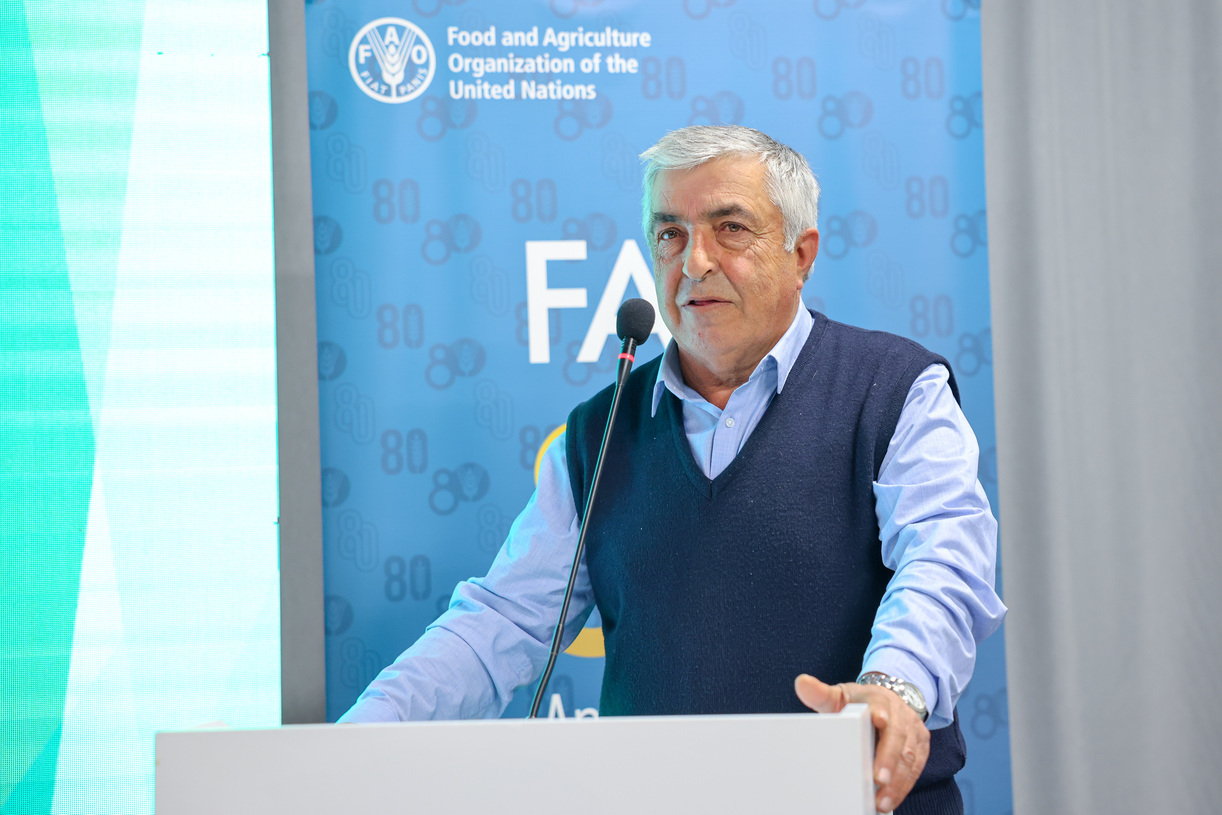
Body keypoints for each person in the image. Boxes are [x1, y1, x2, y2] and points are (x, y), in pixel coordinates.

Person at [340, 125, 1005, 815]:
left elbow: (943, 561)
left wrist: (895, 686)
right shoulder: (599, 432)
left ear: (801, 253)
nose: (694, 262)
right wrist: (354, 744)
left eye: (730, 229)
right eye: (670, 235)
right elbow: (500, 624)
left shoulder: (895, 389)